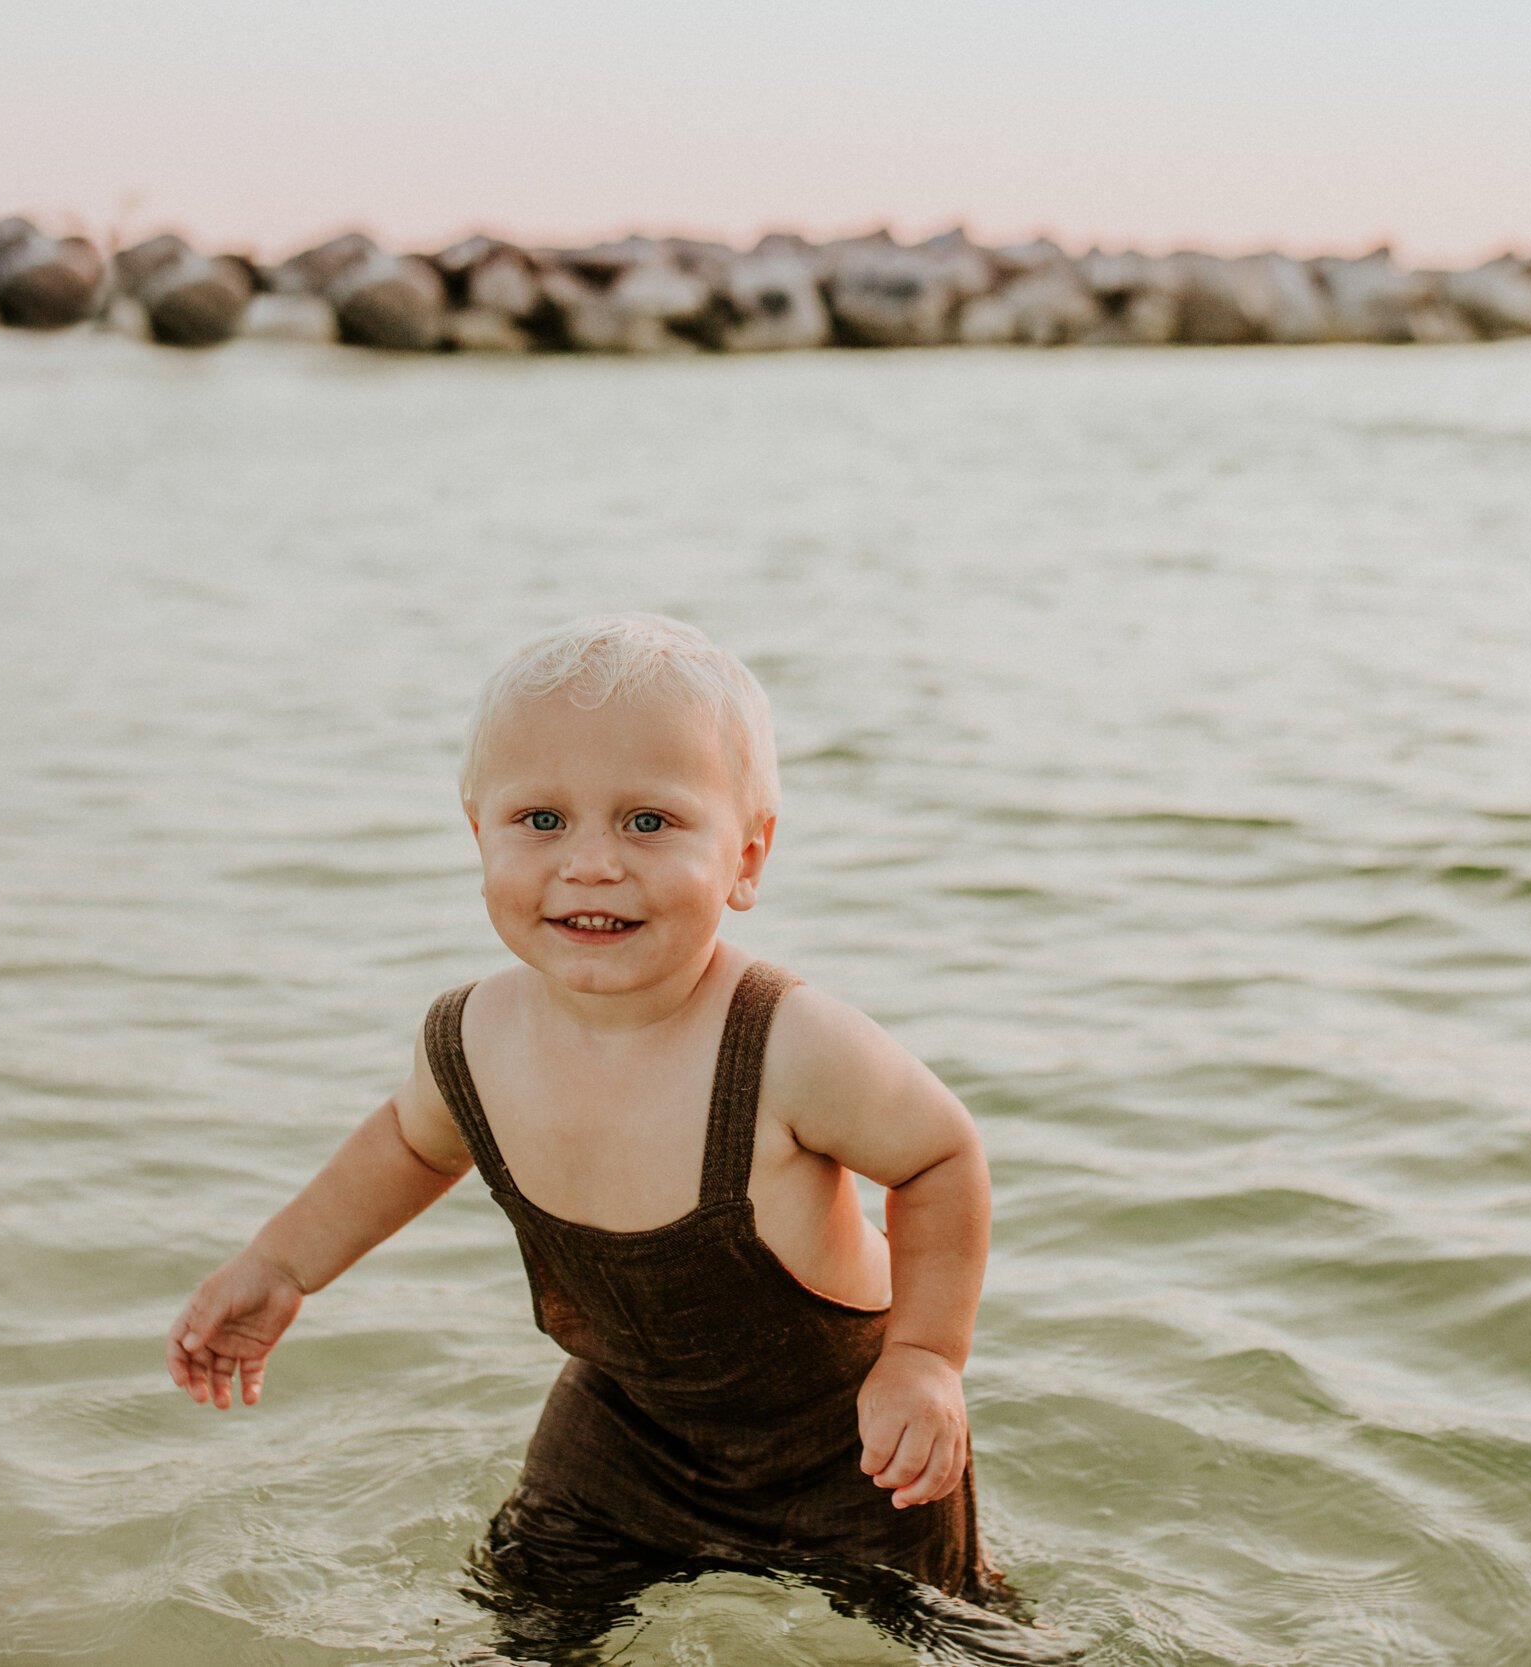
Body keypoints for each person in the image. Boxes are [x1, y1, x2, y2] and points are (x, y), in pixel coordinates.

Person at [165, 612, 1000, 1648]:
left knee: (948, 1639)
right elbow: (412, 1144)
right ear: (479, 836)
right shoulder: (472, 1037)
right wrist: (281, 1264)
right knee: (523, 1622)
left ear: (745, 855)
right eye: (542, 819)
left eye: (648, 821)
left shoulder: (787, 1042)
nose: (592, 862)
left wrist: (923, 1355)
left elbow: (938, 1152)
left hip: (847, 1443)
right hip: (623, 1428)